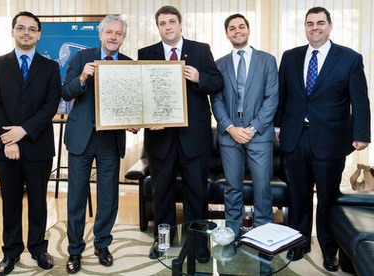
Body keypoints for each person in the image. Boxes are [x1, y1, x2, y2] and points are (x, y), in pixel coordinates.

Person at [274, 6, 370, 272]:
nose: (314, 27)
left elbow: (360, 100)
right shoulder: (290, 57)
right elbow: (283, 96)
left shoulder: (349, 58)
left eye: (320, 23)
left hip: (331, 139)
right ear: (304, 27)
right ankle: (299, 243)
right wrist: (277, 127)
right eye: (309, 23)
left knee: (327, 198)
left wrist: (361, 134)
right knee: (298, 195)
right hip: (295, 137)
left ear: (330, 25)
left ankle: (330, 251)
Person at [138, 5, 223, 260]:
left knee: (196, 194)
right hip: (159, 137)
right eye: (162, 23)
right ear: (158, 27)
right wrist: (144, 120)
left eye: (172, 22)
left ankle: (198, 245)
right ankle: (163, 243)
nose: (168, 27)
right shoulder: (147, 53)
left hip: (194, 138)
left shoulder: (200, 49)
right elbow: (140, 93)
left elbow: (217, 82)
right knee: (161, 193)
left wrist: (199, 77)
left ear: (180, 24)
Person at [0, 11, 61, 276]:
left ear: (39, 34)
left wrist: (23, 131)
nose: (26, 32)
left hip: (38, 145)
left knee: (38, 201)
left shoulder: (51, 68)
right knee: (10, 201)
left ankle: (39, 248)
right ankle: (11, 252)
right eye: (21, 28)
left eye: (32, 29)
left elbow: (50, 106)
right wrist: (9, 138)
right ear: (13, 31)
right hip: (4, 146)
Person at [62, 15, 131, 274]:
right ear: (100, 35)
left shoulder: (128, 64)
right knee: (76, 198)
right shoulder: (82, 58)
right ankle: (75, 251)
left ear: (123, 38)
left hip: (110, 141)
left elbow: (130, 104)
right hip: (81, 138)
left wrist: (133, 121)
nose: (113, 37)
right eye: (109, 32)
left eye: (119, 33)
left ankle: (102, 245)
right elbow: (65, 91)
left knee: (108, 197)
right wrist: (81, 78)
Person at [211, 13, 279, 238]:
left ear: (248, 30)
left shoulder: (267, 60)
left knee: (262, 189)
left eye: (241, 27)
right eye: (232, 28)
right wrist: (230, 128)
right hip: (230, 135)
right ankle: (232, 236)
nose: (237, 31)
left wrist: (252, 128)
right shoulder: (219, 64)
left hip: (258, 135)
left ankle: (262, 238)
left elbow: (272, 99)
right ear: (227, 34)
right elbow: (217, 100)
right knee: (232, 190)